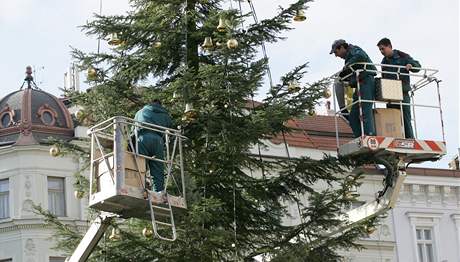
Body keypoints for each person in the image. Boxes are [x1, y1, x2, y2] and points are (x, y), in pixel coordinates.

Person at [330, 39, 377, 138]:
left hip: (367, 81)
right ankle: (359, 137)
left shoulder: (354, 49)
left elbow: (361, 56)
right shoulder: (348, 57)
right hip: (359, 85)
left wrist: (347, 66)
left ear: (342, 47)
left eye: (336, 52)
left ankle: (369, 136)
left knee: (365, 111)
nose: (336, 55)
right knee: (353, 116)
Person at [377, 38, 421, 139]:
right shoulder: (384, 61)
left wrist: (411, 66)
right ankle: (395, 138)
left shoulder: (402, 56)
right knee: (392, 119)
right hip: (390, 95)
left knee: (405, 119)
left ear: (389, 46)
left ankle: (410, 139)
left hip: (402, 93)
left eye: (382, 49)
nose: (381, 52)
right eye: (380, 50)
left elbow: (417, 66)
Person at [134, 99, 173, 198]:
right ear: (160, 105)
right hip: (158, 140)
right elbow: (170, 129)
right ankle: (159, 192)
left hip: (142, 138)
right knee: (157, 168)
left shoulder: (140, 112)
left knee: (141, 166)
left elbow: (133, 129)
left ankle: (141, 188)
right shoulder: (165, 115)